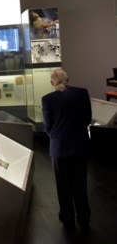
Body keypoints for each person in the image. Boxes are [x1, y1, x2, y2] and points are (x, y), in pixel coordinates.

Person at [41, 68, 92, 228]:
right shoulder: (82, 93)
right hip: (80, 144)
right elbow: (87, 119)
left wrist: (56, 135)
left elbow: (48, 126)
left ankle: (67, 216)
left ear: (52, 82)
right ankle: (84, 215)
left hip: (59, 147)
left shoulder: (47, 99)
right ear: (67, 79)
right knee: (80, 182)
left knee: (63, 184)